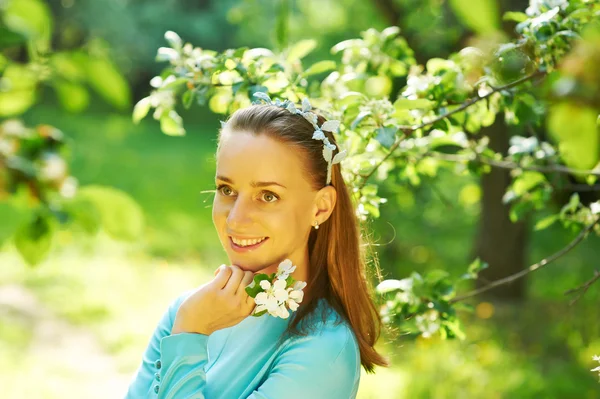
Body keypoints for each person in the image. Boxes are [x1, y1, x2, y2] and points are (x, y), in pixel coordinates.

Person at [124, 95, 389, 399]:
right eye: (227, 190)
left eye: (268, 196)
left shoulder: (324, 348)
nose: (235, 220)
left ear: (320, 208)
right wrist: (188, 327)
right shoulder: (188, 311)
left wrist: (189, 337)